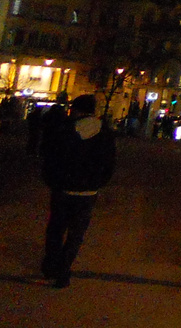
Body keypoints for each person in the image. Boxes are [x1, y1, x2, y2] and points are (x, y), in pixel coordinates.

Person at [40, 95, 116, 289]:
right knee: (76, 234)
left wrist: (52, 180)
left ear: (76, 109)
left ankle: (51, 266)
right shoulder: (104, 133)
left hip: (64, 188)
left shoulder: (65, 130)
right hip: (88, 192)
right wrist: (98, 182)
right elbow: (109, 163)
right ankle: (63, 271)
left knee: (56, 229)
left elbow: (50, 156)